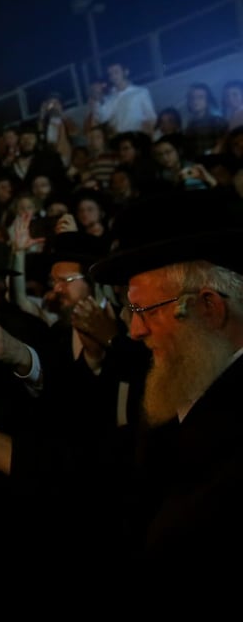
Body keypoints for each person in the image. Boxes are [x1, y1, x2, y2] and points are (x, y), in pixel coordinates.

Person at [87, 189, 243, 567]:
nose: (135, 330)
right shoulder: (185, 378)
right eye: (131, 309)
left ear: (209, 307)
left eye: (146, 310)